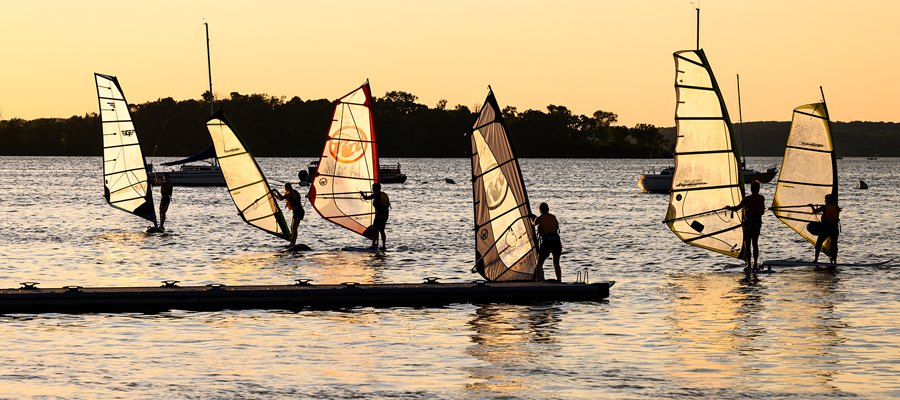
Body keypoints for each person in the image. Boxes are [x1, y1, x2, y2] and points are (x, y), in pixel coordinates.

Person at [726, 180, 765, 271]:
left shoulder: (747, 199)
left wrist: (728, 208)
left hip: (748, 224)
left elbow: (736, 208)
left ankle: (748, 265)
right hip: (757, 223)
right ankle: (755, 264)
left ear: (751, 189)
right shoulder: (762, 198)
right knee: (755, 244)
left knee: (747, 244)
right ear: (758, 189)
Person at [531, 202, 562, 281]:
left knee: (539, 264)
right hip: (556, 241)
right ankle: (559, 280)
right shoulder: (553, 217)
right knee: (556, 264)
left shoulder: (540, 218)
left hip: (547, 242)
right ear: (548, 209)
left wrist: (531, 219)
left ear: (540, 210)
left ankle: (538, 281)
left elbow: (534, 223)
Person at [810, 193, 840, 264]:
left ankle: (816, 260)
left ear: (826, 201)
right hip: (835, 228)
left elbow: (814, 211)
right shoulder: (837, 207)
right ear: (832, 201)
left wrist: (812, 206)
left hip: (826, 228)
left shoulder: (824, 207)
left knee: (819, 243)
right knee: (834, 244)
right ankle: (834, 261)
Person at [360, 183, 390, 250]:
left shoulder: (376, 194)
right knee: (382, 230)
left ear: (376, 188)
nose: (372, 189)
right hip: (385, 214)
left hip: (380, 214)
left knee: (375, 229)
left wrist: (362, 194)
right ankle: (383, 246)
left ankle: (374, 245)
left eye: (373, 188)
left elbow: (366, 198)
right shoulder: (383, 194)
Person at [273, 182, 303, 247]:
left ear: (286, 188)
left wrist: (276, 191)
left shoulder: (292, 193)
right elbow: (280, 199)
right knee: (292, 228)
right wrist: (273, 194)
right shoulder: (290, 193)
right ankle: (292, 243)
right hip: (296, 212)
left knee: (294, 228)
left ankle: (293, 244)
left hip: (299, 211)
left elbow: (281, 197)